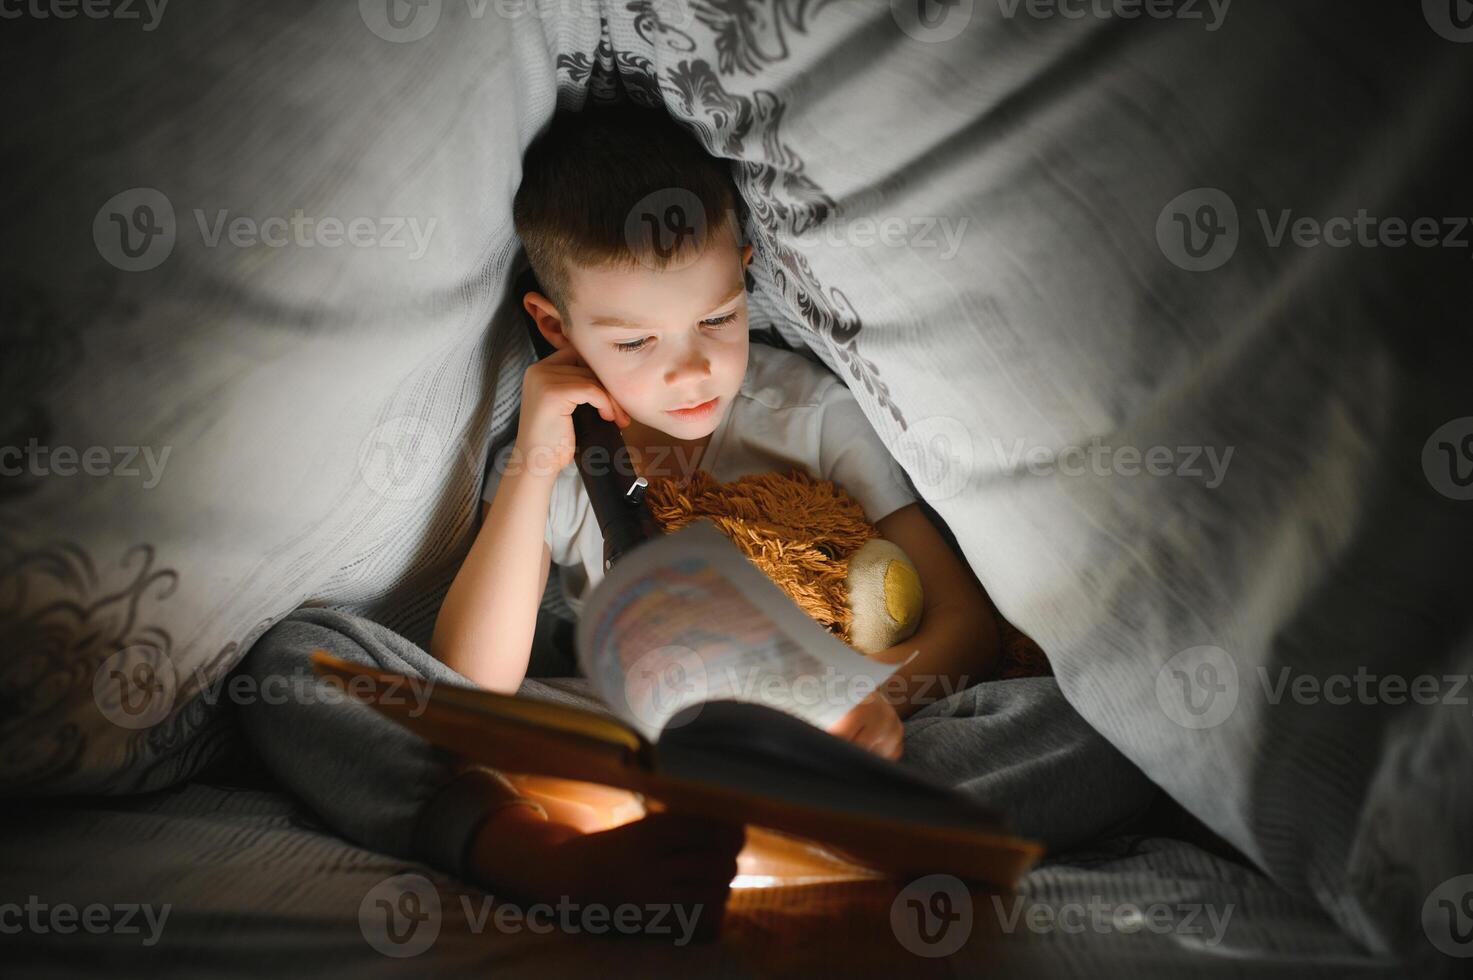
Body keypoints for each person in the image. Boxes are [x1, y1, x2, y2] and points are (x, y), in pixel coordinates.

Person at [238, 102, 1159, 938]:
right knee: (298, 660)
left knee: (1110, 707)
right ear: (556, 330)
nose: (689, 373)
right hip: (625, 750)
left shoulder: (807, 409)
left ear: (746, 280)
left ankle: (801, 832)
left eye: (716, 320)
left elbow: (966, 618)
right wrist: (534, 462)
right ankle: (539, 855)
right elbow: (473, 677)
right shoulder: (559, 452)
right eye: (634, 342)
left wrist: (874, 704)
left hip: (828, 740)